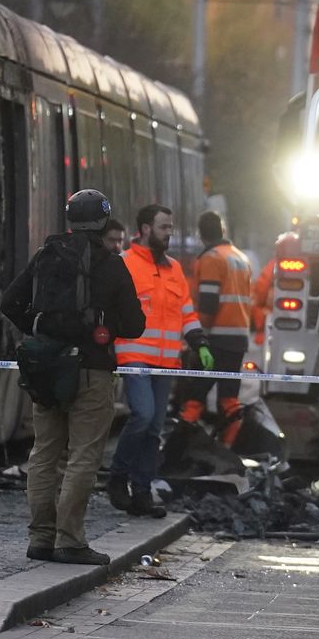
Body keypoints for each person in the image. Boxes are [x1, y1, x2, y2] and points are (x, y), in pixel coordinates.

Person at [0, 189, 145, 564]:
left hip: (46, 369)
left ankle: (40, 538)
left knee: (44, 453)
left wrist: (38, 329)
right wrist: (102, 326)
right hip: (91, 372)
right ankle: (70, 540)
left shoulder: (46, 255)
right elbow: (135, 324)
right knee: (83, 455)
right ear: (103, 221)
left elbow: (8, 303)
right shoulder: (111, 264)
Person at [110, 204, 203, 516]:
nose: (169, 233)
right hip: (134, 355)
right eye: (164, 227)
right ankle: (118, 477)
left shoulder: (174, 268)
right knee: (143, 416)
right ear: (146, 229)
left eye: (171, 227)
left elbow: (186, 311)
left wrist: (198, 340)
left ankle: (141, 491)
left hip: (166, 361)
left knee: (154, 428)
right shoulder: (124, 263)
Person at [182, 211, 254, 442]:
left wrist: (197, 339)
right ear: (223, 231)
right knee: (229, 396)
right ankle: (226, 449)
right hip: (237, 339)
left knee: (197, 393)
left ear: (200, 234)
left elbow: (208, 304)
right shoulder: (241, 258)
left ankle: (179, 445)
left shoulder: (211, 258)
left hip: (215, 338)